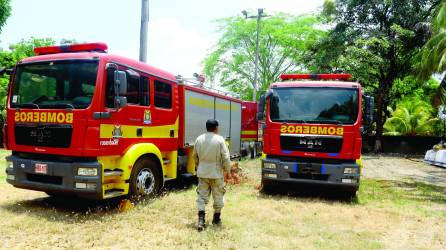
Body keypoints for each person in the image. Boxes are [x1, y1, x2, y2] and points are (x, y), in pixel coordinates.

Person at [193, 119, 232, 231]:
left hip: (202, 173)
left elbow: (195, 156)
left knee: (201, 196)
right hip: (216, 174)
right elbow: (225, 157)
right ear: (216, 128)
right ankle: (216, 218)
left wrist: (198, 166)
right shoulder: (220, 140)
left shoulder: (199, 139)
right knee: (218, 195)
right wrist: (228, 171)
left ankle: (201, 220)